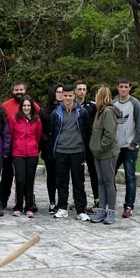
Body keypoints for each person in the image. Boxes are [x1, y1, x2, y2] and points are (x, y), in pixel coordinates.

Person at [48, 84, 92, 221]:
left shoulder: (82, 113)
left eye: (70, 95)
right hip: (61, 151)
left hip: (77, 151)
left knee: (79, 182)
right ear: (62, 97)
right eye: (65, 95)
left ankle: (81, 210)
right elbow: (52, 133)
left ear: (74, 96)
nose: (67, 98)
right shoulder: (55, 114)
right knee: (62, 182)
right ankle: (62, 208)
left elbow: (87, 131)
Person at [1, 81, 40, 211]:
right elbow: (8, 131)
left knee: (28, 178)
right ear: (13, 91)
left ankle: (29, 203)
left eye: (21, 90)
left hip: (30, 151)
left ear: (25, 90)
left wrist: (35, 146)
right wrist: (8, 149)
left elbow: (38, 134)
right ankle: (5, 201)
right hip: (13, 149)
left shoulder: (35, 107)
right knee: (10, 177)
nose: (19, 92)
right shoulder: (6, 106)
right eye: (16, 90)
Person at [88, 86, 122, 224]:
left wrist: (100, 147)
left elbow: (109, 134)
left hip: (107, 153)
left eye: (96, 95)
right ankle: (101, 209)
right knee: (100, 181)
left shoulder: (108, 112)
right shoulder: (99, 111)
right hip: (97, 153)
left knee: (109, 182)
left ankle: (111, 211)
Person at [113, 78, 140, 218]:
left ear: (130, 88)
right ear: (117, 87)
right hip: (115, 147)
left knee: (130, 176)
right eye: (121, 86)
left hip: (129, 147)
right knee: (109, 175)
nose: (123, 89)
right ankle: (109, 202)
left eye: (126, 87)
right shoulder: (113, 103)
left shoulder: (135, 103)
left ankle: (129, 206)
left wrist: (134, 142)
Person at [8, 95, 42, 217]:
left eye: (28, 105)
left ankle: (29, 207)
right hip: (18, 153)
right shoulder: (14, 119)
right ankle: (18, 206)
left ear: (31, 107)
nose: (26, 107)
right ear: (21, 107)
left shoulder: (36, 120)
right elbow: (11, 136)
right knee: (20, 179)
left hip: (32, 154)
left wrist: (34, 148)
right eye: (24, 105)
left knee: (30, 180)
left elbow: (38, 137)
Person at [39, 84, 63, 213]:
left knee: (62, 176)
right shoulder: (44, 110)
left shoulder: (67, 108)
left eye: (62, 92)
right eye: (57, 91)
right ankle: (52, 201)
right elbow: (40, 129)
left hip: (63, 147)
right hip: (49, 147)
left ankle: (62, 201)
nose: (60, 94)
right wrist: (46, 143)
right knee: (51, 176)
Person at [75, 80, 99, 208]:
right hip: (76, 145)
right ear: (75, 91)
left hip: (90, 145)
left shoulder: (92, 106)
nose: (82, 92)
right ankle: (79, 200)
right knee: (77, 174)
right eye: (79, 89)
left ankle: (97, 199)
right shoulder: (71, 106)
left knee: (94, 172)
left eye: (84, 89)